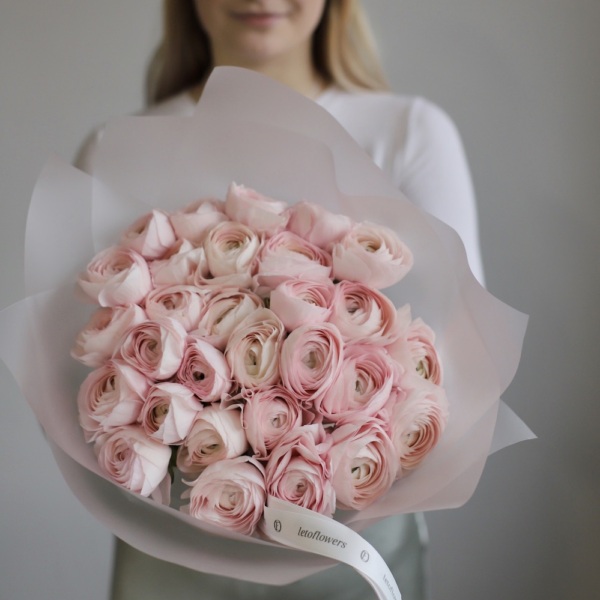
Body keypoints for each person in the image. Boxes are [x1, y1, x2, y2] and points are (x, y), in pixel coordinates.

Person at [76, 1, 485, 598]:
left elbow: (461, 361)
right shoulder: (116, 146)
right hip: (170, 555)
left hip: (353, 557)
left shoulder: (408, 133)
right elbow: (76, 359)